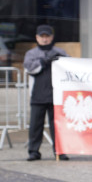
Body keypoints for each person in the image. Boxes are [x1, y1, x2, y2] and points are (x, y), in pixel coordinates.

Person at [23, 24, 68, 161]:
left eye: (47, 36)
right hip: (38, 95)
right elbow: (29, 68)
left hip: (57, 95)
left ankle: (59, 151)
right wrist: (43, 62)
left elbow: (70, 66)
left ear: (52, 37)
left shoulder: (60, 51)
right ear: (37, 38)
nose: (44, 39)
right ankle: (34, 151)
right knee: (35, 126)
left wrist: (61, 60)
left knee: (58, 126)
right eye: (41, 36)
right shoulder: (31, 54)